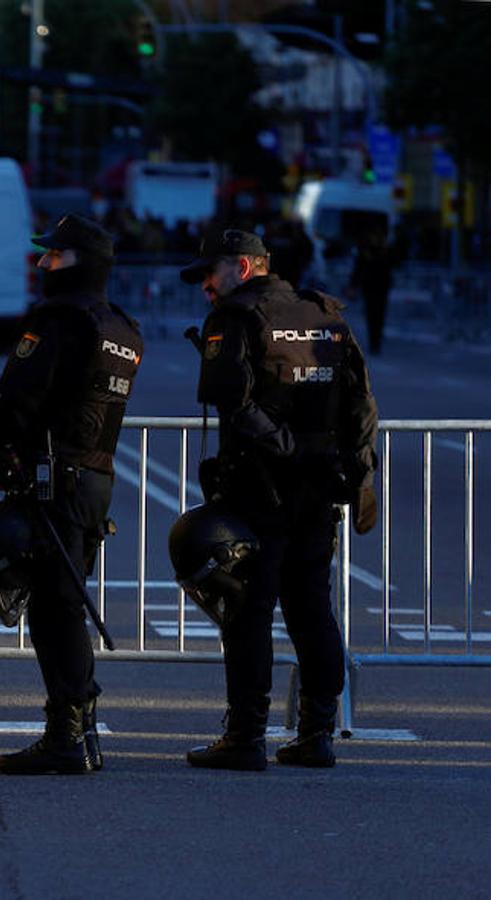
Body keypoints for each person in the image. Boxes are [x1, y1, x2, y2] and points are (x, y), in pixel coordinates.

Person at [180, 227, 379, 770]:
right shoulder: (324, 313)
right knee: (311, 606)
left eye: (209, 273)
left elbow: (232, 402)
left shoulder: (237, 318)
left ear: (243, 268)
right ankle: (317, 734)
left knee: (248, 612)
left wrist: (285, 448)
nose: (204, 287)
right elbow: (361, 403)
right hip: (318, 486)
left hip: (259, 486)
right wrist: (357, 471)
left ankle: (245, 737)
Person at [0, 213, 143, 775]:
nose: (43, 263)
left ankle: (67, 734)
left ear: (82, 262)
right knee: (65, 603)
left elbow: (22, 395)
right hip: (95, 480)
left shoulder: (60, 319)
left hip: (55, 478)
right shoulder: (121, 327)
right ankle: (78, 731)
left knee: (54, 610)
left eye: (55, 255)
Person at [349, 226, 395, 355]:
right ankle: (373, 341)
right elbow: (358, 269)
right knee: (371, 314)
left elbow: (392, 264)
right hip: (369, 287)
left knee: (379, 315)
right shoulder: (365, 252)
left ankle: (376, 341)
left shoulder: (385, 251)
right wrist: (353, 285)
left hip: (381, 287)